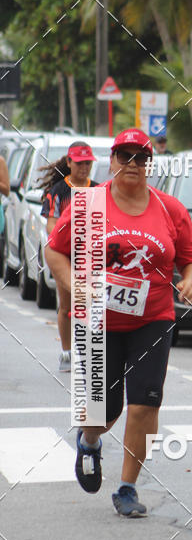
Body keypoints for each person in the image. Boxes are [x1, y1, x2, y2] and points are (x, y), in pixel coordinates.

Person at [45, 128, 192, 517]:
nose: (132, 164)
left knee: (144, 404)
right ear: (112, 161)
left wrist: (191, 282)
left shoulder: (170, 209)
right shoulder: (87, 206)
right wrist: (75, 285)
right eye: (125, 156)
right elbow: (54, 252)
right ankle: (89, 441)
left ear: (149, 164)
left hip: (152, 318)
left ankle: (128, 487)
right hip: (98, 320)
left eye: (141, 157)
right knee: (104, 407)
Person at [39, 142, 98, 372]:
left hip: (94, 258)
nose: (84, 167)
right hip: (65, 258)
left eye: (88, 163)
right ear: (69, 162)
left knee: (94, 303)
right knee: (67, 306)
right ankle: (67, 352)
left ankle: (93, 350)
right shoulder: (57, 193)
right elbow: (51, 227)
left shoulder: (100, 190)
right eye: (80, 162)